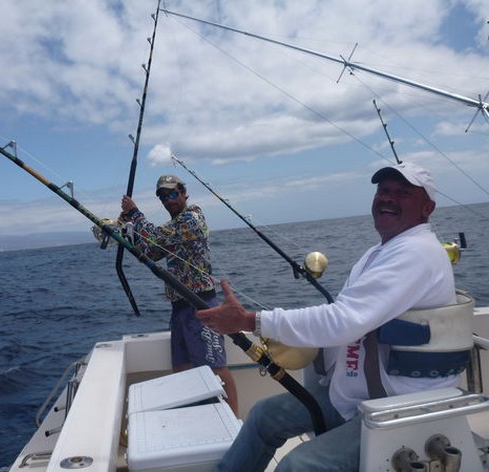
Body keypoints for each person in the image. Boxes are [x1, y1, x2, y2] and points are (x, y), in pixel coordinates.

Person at [197, 162, 461, 471]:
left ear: (427, 207)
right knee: (263, 416)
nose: (388, 198)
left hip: (397, 408)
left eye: (402, 193)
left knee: (296, 466)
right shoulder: (380, 251)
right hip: (353, 398)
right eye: (384, 191)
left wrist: (250, 321)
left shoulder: (415, 252)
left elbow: (343, 321)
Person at [120, 174, 239, 416]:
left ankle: (235, 422)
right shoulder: (172, 229)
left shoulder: (192, 219)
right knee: (182, 370)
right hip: (179, 308)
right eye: (163, 196)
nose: (169, 200)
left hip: (202, 304)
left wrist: (134, 213)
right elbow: (151, 252)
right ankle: (194, 421)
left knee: (215, 369)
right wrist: (126, 231)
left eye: (173, 194)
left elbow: (155, 237)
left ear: (184, 193)